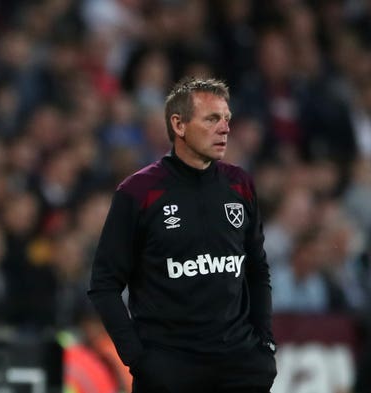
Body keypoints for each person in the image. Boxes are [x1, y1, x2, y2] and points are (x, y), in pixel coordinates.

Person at [88, 77, 277, 392]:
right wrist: (138, 358)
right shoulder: (139, 192)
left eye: (227, 119)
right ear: (179, 125)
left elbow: (257, 270)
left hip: (240, 370)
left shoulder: (239, 185)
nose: (225, 128)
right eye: (212, 119)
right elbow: (103, 285)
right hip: (171, 373)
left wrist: (265, 344)